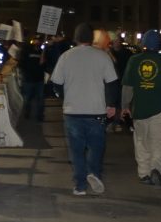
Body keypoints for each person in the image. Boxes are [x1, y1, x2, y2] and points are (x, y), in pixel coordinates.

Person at [49, 23, 119, 196]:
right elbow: (112, 83)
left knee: (76, 150)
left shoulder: (66, 56)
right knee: (96, 147)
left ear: (76, 38)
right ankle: (93, 173)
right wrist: (111, 105)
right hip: (96, 111)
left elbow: (56, 83)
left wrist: (64, 96)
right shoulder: (103, 57)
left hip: (73, 111)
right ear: (91, 39)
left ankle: (80, 185)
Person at [119, 33, 161, 185]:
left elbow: (127, 87)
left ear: (143, 44)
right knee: (159, 142)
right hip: (159, 110)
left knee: (141, 143)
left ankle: (144, 174)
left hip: (139, 111)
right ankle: (157, 170)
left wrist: (125, 107)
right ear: (158, 45)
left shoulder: (134, 61)